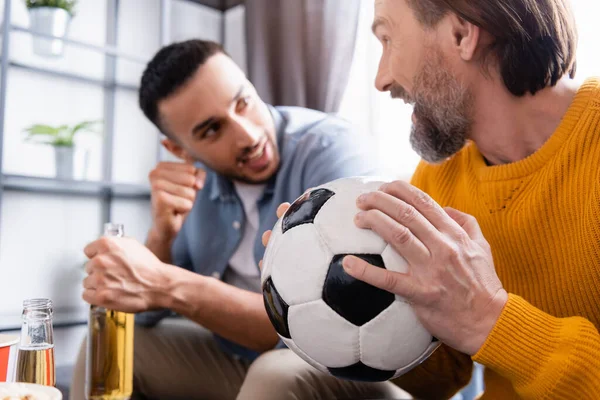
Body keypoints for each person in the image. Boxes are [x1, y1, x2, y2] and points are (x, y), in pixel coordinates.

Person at [266, 0, 600, 398]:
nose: (382, 79)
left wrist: (491, 319)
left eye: (388, 39)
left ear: (461, 35)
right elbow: (441, 376)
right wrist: (325, 301)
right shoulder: (439, 179)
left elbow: (484, 328)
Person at [70, 40, 410, 400]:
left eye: (243, 102)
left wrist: (167, 283)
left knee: (273, 377)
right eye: (212, 130)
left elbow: (319, 324)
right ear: (179, 149)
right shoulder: (194, 183)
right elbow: (146, 313)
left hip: (345, 366)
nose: (248, 136)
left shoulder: (333, 154)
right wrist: (162, 235)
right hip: (242, 360)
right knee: (104, 347)